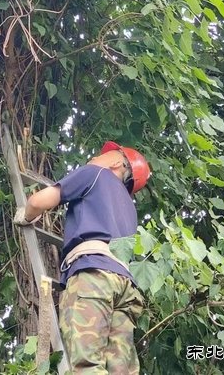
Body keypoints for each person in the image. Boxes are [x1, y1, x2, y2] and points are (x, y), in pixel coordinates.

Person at [14, 141, 151, 374]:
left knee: (87, 365)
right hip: (126, 286)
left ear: (117, 163)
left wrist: (26, 216)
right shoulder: (129, 207)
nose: (95, 157)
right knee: (121, 370)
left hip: (94, 276)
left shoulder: (94, 174)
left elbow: (37, 201)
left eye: (104, 155)